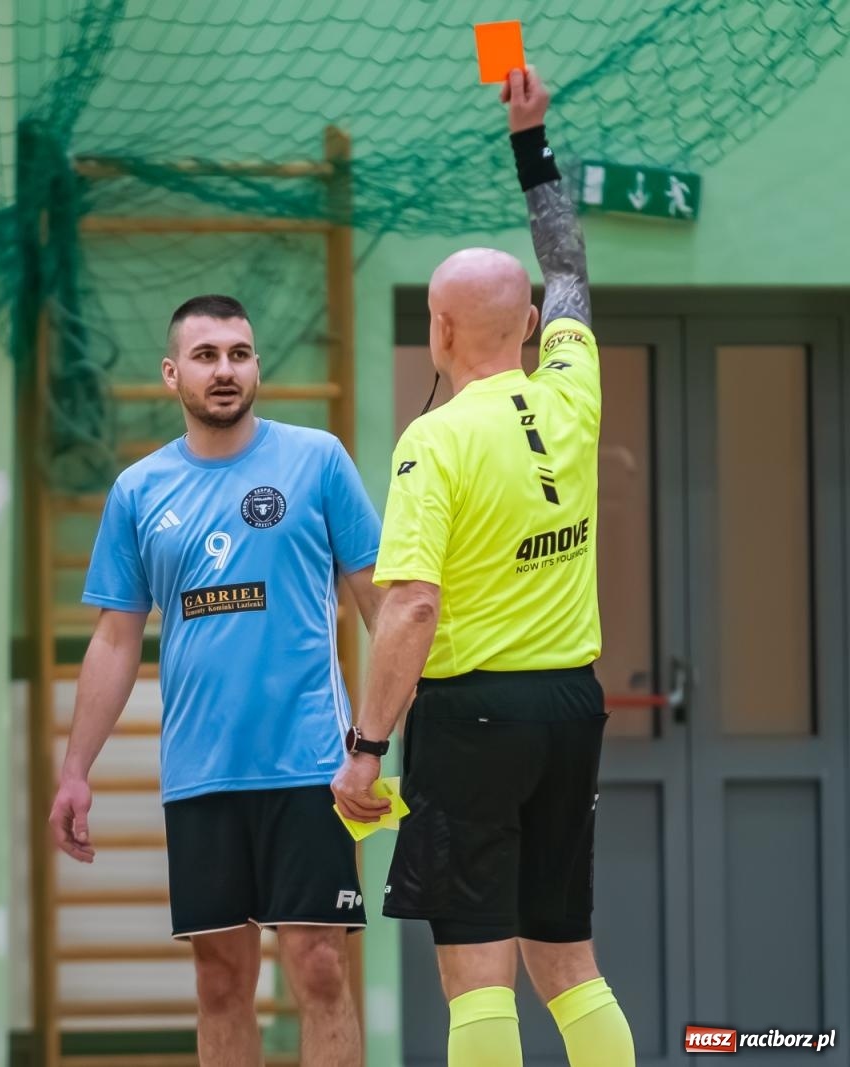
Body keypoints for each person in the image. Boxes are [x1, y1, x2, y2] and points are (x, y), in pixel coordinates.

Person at [332, 68, 635, 1067]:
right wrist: (530, 142)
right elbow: (571, 265)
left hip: (474, 716)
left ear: (442, 331)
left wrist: (366, 743)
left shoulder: (433, 440)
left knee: (475, 971)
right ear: (531, 327)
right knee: (570, 959)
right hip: (568, 709)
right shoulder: (573, 387)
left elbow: (410, 606)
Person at [50, 294, 382, 1067]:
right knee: (219, 979)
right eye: (206, 356)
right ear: (173, 374)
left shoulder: (318, 460)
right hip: (202, 773)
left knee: (321, 966)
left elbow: (380, 603)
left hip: (311, 765)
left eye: (239, 352)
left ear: (257, 364)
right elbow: (114, 638)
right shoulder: (138, 491)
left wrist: (391, 730)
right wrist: (75, 771)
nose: (225, 369)